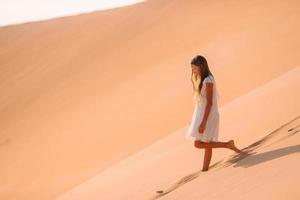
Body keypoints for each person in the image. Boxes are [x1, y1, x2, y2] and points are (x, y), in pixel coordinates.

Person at [185, 55, 242, 171]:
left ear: (201, 67)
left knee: (198, 144)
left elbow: (210, 103)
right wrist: (196, 119)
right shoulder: (200, 79)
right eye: (192, 68)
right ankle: (205, 169)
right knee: (207, 143)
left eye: (195, 68)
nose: (193, 71)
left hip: (209, 115)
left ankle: (227, 144)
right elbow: (201, 101)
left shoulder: (208, 80)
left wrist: (203, 122)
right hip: (201, 114)